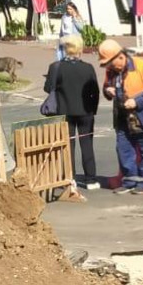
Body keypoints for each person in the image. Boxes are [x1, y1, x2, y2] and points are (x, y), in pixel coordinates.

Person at [97, 37, 143, 194]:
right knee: (123, 148)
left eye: (111, 63)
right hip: (122, 116)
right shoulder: (111, 71)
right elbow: (106, 86)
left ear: (121, 56)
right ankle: (129, 180)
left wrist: (136, 102)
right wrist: (108, 90)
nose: (110, 67)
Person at [45, 34, 100, 191]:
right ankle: (91, 179)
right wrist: (92, 109)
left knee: (67, 145)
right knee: (87, 144)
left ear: (64, 49)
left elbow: (48, 88)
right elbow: (95, 91)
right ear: (80, 49)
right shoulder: (88, 68)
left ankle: (70, 178)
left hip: (64, 111)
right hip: (86, 112)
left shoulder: (56, 67)